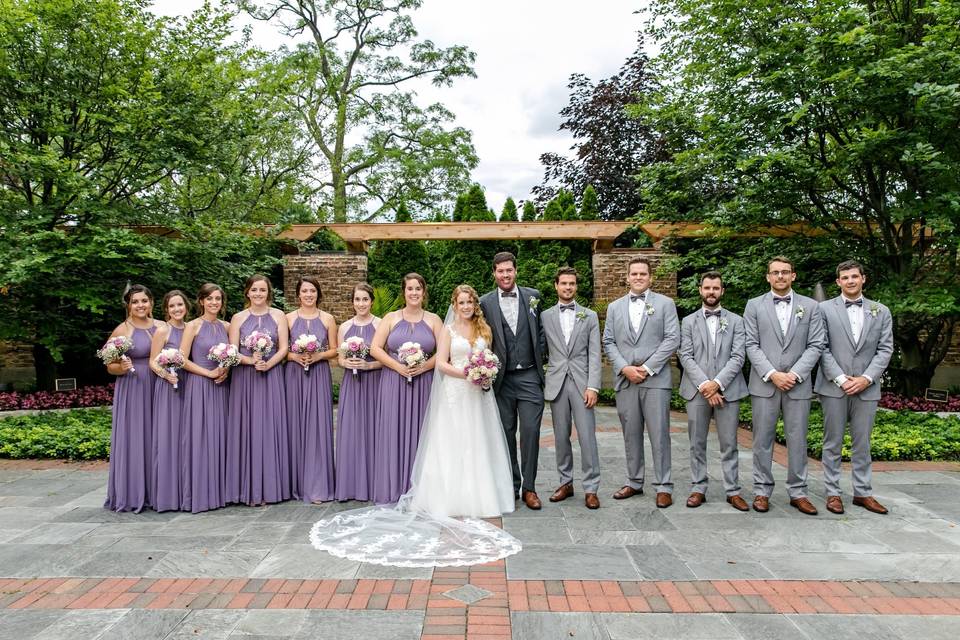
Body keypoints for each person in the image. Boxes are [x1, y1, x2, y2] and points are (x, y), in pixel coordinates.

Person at [308, 284, 520, 567]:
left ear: (475, 305)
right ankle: (451, 497)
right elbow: (443, 364)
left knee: (478, 443)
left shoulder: (485, 330)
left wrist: (484, 373)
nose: (466, 306)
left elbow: (489, 360)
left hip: (478, 397)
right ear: (454, 305)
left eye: (470, 302)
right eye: (462, 302)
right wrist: (467, 373)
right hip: (455, 394)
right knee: (452, 443)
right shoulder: (446, 329)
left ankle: (479, 496)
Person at [744, 256, 825, 515]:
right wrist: (772, 373)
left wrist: (795, 374)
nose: (780, 276)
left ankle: (798, 492)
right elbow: (750, 344)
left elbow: (816, 344)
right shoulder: (754, 305)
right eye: (775, 272)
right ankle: (761, 491)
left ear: (793, 276)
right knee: (762, 440)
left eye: (785, 272)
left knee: (798, 439)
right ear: (768, 277)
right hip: (765, 384)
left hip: (797, 385)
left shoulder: (811, 307)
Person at [814, 260, 893, 515]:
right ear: (838, 282)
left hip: (867, 388)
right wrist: (841, 378)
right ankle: (833, 493)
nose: (850, 281)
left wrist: (866, 379)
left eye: (854, 276)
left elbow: (885, 350)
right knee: (832, 442)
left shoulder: (881, 311)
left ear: (863, 279)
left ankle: (863, 493)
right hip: (833, 387)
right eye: (845, 277)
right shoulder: (823, 309)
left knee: (863, 443)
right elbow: (820, 347)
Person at [602, 257, 680, 507]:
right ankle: (634, 481)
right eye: (634, 274)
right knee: (630, 433)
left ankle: (663, 485)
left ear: (650, 277)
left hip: (655, 379)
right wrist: (625, 368)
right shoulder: (615, 307)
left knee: (659, 434)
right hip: (626, 380)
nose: (638, 277)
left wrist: (646, 368)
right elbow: (609, 341)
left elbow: (672, 339)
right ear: (627, 277)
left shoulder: (665, 304)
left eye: (643, 274)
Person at [479, 252, 546, 510]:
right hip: (501, 380)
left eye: (509, 270)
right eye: (500, 271)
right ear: (494, 273)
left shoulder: (533, 297)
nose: (505, 275)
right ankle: (511, 486)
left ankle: (529, 488)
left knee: (530, 432)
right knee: (505, 434)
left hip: (529, 375)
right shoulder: (485, 303)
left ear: (515, 271)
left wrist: (540, 356)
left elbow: (539, 332)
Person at [677, 272, 750, 511]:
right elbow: (685, 355)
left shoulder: (737, 321)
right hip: (696, 392)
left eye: (716, 288)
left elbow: (739, 356)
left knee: (729, 443)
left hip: (729, 390)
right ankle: (698, 487)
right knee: (696, 443)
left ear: (722, 291)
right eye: (707, 287)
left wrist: (717, 383)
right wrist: (705, 386)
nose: (711, 292)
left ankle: (733, 490)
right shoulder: (688, 321)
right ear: (700, 290)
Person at [369, 273, 442, 504]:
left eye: (418, 289)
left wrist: (423, 367)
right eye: (409, 288)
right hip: (393, 382)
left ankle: (420, 490)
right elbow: (375, 349)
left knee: (422, 434)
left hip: (424, 384)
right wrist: (398, 367)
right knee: (393, 431)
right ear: (404, 292)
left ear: (424, 292)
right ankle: (393, 487)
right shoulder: (390, 318)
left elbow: (443, 352)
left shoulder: (434, 320)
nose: (414, 293)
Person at [226, 274, 291, 506]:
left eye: (262, 290)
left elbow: (284, 348)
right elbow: (232, 351)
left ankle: (273, 487)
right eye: (254, 290)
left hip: (271, 375)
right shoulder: (238, 318)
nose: (258, 294)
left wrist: (268, 364)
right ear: (247, 292)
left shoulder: (278, 316)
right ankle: (247, 488)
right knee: (248, 427)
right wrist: (250, 361)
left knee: (270, 427)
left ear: (268, 293)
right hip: (245, 378)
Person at [541, 267, 602, 510]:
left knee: (587, 437)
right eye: (564, 283)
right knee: (560, 437)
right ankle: (565, 482)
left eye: (572, 284)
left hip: (582, 382)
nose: (568, 287)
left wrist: (594, 386)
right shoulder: (545, 316)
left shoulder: (589, 316)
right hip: (557, 382)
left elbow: (595, 354)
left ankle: (591, 488)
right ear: (556, 285)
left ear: (576, 287)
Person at [103, 284, 161, 512]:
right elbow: (109, 366)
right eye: (135, 302)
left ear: (151, 303)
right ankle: (133, 492)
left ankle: (159, 491)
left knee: (158, 437)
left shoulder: (161, 326)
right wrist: (123, 367)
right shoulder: (121, 330)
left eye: (144, 301)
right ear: (128, 305)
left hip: (159, 385)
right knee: (137, 437)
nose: (140, 305)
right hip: (134, 387)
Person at [285, 277, 338, 504]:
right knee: (294, 426)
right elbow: (281, 350)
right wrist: (294, 356)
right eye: (304, 291)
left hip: (318, 375)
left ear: (318, 293)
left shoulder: (328, 319)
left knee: (318, 428)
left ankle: (317, 486)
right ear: (298, 294)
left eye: (312, 291)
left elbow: (334, 350)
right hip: (294, 375)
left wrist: (318, 355)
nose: (308, 295)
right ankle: (294, 484)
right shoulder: (287, 319)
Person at [178, 283, 231, 513]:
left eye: (217, 299)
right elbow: (181, 359)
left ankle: (222, 491)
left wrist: (226, 369)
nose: (213, 303)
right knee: (201, 437)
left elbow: (232, 354)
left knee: (221, 436)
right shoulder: (192, 326)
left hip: (222, 386)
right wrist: (207, 372)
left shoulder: (227, 326)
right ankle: (201, 493)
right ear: (201, 301)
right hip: (200, 385)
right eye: (209, 299)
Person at [334, 283, 383, 502]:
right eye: (357, 300)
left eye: (365, 299)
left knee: (374, 429)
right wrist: (348, 362)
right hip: (351, 385)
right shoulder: (344, 327)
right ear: (352, 302)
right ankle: (351, 485)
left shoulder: (381, 324)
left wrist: (369, 366)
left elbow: (387, 358)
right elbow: (339, 358)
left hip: (374, 382)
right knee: (351, 431)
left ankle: (375, 483)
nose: (361, 304)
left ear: (371, 301)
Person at [149, 290, 190, 512]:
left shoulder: (191, 328)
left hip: (188, 386)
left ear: (186, 307)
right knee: (169, 438)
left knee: (185, 439)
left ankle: (185, 490)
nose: (177, 309)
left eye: (180, 305)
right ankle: (167, 495)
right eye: (172, 306)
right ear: (166, 309)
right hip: (168, 387)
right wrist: (166, 375)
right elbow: (152, 362)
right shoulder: (162, 330)